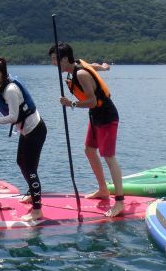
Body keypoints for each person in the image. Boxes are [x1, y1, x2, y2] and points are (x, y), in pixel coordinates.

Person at [49, 43, 124, 217]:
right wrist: (104, 67)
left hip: (106, 116)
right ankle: (103, 190)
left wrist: (71, 103)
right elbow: (94, 66)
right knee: (89, 150)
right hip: (95, 116)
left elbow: (91, 101)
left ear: (66, 59)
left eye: (55, 59)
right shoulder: (77, 68)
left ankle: (120, 202)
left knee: (108, 157)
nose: (53, 64)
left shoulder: (81, 74)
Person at [0, 57, 47, 222]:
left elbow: (13, 117)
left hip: (35, 130)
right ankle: (33, 193)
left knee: (29, 168)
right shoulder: (3, 84)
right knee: (21, 162)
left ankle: (37, 211)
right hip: (27, 131)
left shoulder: (10, 89)